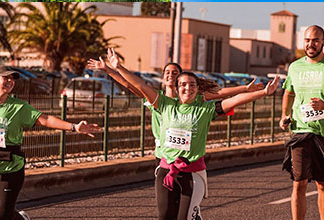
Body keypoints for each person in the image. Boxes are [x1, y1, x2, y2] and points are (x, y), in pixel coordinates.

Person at [104, 48, 279, 220]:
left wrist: (263, 93)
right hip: (166, 170)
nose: (188, 88)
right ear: (177, 87)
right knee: (165, 216)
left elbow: (232, 101)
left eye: (192, 85)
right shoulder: (164, 104)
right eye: (183, 85)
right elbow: (139, 85)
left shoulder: (205, 108)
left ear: (197, 89)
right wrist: (118, 67)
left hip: (192, 173)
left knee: (185, 217)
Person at [0, 65, 100, 220]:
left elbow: (46, 119)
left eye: (12, 78)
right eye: (5, 77)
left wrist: (74, 127)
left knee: (2, 215)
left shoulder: (19, 107)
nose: (10, 81)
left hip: (11, 164)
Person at [280, 25, 324, 220]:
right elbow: (289, 92)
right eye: (308, 40)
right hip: (301, 131)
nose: (311, 44)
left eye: (316, 40)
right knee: (298, 182)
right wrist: (284, 115)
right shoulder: (295, 66)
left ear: (323, 42)